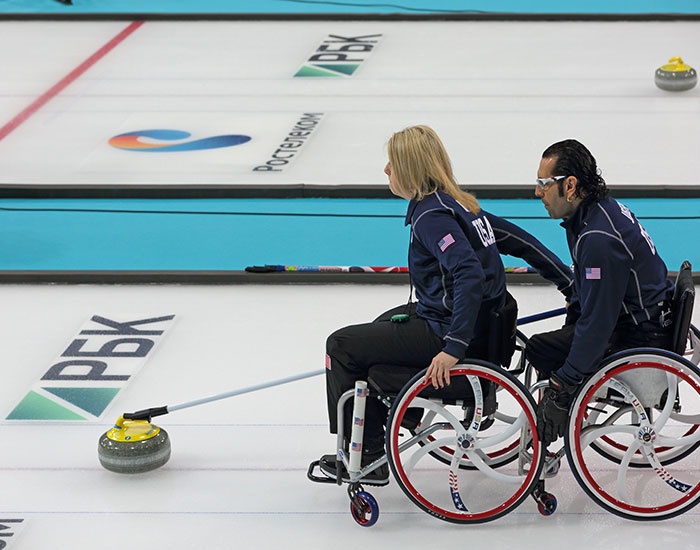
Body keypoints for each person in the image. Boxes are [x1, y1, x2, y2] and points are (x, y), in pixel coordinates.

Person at [317, 125, 575, 485]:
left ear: (408, 168)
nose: (386, 170)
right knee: (382, 322)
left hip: (449, 332)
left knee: (340, 346)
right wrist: (568, 282)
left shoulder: (431, 217)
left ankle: (365, 452)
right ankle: (398, 418)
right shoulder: (459, 204)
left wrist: (453, 347)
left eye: (392, 163)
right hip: (477, 325)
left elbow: (468, 273)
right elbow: (521, 240)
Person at [528, 139, 675, 446]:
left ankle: (568, 409)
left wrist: (562, 384)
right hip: (650, 317)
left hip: (638, 336)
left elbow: (597, 325)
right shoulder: (600, 212)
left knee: (539, 348)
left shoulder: (597, 239)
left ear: (570, 185)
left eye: (544, 183)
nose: (537, 192)